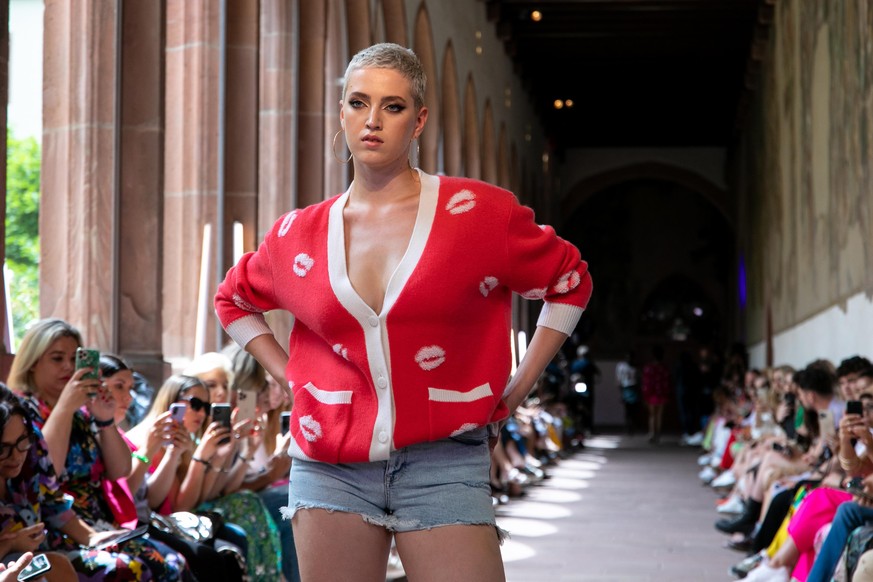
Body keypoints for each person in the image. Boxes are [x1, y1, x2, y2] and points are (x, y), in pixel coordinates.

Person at [214, 42, 593, 581]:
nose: (372, 121)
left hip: (444, 457)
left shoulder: (478, 214)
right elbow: (232, 300)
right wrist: (292, 375)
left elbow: (570, 279)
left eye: (392, 107)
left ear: (418, 122)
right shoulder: (296, 234)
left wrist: (521, 383)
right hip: (328, 464)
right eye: (358, 103)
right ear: (340, 113)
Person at [6, 318, 188, 580]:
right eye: (57, 359)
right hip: (56, 530)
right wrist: (64, 408)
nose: (68, 367)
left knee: (173, 561)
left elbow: (120, 471)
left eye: (74, 358)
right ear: (34, 362)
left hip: (99, 523)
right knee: (134, 570)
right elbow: (46, 474)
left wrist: (104, 419)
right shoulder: (22, 412)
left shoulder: (83, 411)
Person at [642, 345, 671, 444]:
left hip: (652, 394)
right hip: (661, 393)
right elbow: (667, 382)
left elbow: (646, 383)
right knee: (659, 415)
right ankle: (657, 434)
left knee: (652, 415)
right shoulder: (664, 368)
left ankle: (652, 433)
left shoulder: (649, 368)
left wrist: (645, 395)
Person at [614, 351, 639, 435]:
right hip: (626, 388)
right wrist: (621, 392)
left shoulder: (635, 367)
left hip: (634, 388)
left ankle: (633, 426)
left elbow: (637, 378)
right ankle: (628, 427)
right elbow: (619, 379)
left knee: (634, 410)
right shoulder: (621, 366)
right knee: (627, 410)